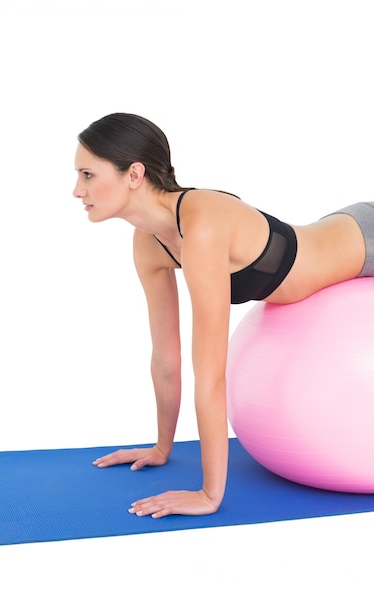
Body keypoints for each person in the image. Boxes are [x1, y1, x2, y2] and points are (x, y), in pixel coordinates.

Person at [73, 112, 373, 519]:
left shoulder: (203, 226)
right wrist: (163, 448)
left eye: (88, 174)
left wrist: (209, 494)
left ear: (134, 174)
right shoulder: (148, 243)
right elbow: (167, 359)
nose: (77, 190)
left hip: (365, 242)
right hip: (341, 231)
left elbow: (211, 374)